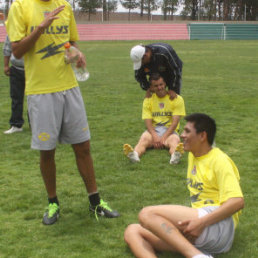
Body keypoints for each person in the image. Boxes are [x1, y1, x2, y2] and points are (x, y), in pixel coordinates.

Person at [6, 0, 119, 225]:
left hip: (70, 88)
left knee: (83, 147)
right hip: (41, 92)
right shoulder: (20, 6)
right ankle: (53, 203)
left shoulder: (64, 6)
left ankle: (95, 201)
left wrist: (77, 54)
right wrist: (40, 28)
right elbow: (17, 51)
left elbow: (70, 41)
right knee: (47, 151)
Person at [124, 113, 244, 258]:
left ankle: (196, 256)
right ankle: (200, 253)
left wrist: (201, 223)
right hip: (200, 228)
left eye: (187, 131)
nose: (182, 135)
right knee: (132, 231)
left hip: (219, 226)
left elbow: (237, 201)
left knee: (147, 214)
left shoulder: (220, 160)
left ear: (202, 136)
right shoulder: (194, 155)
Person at [123, 73, 185, 165]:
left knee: (174, 141)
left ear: (165, 84)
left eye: (161, 84)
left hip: (170, 131)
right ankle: (135, 155)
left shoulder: (177, 99)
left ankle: (174, 157)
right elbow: (147, 122)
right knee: (143, 139)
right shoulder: (148, 100)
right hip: (153, 130)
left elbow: (175, 123)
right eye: (156, 86)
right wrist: (155, 136)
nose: (159, 88)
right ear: (151, 88)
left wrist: (163, 137)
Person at [3, 35, 25, 134]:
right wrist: (6, 65)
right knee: (16, 97)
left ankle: (35, 124)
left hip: (34, 70)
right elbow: (7, 48)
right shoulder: (13, 29)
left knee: (35, 99)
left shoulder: (34, 26)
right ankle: (16, 124)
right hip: (16, 68)